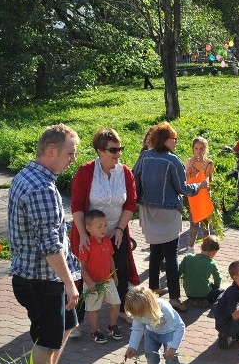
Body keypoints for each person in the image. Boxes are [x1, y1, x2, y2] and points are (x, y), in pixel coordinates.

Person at [9, 124, 81, 364]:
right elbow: (49, 245)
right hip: (42, 281)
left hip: (39, 277)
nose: (73, 159)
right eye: (70, 153)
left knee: (67, 325)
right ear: (51, 151)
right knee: (47, 340)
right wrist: (70, 283)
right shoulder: (42, 188)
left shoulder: (27, 175)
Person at [133, 122, 208, 313]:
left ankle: (153, 287)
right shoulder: (172, 160)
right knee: (171, 254)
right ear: (165, 140)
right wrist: (199, 187)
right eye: (173, 138)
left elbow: (134, 177)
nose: (175, 142)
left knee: (155, 249)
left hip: (148, 210)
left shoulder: (145, 155)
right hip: (168, 211)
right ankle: (175, 297)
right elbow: (182, 188)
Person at [71, 128, 139, 320]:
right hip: (89, 232)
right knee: (84, 274)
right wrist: (84, 234)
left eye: (120, 149)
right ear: (100, 151)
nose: (118, 153)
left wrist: (119, 228)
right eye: (113, 150)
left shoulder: (125, 172)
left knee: (120, 269)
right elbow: (76, 204)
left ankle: (122, 309)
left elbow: (131, 203)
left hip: (115, 231)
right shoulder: (86, 172)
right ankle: (76, 318)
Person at [124, 285, 186, 364]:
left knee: (171, 355)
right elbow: (137, 329)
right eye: (136, 315)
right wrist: (132, 346)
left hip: (169, 332)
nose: (139, 317)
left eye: (141, 314)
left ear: (150, 305)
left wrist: (173, 347)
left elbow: (179, 326)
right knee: (150, 355)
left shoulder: (164, 308)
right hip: (151, 333)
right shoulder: (138, 313)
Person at [79, 210, 121, 344]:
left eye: (105, 225)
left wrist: (115, 275)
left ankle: (112, 325)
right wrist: (89, 282)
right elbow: (82, 267)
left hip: (108, 281)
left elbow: (111, 260)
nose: (104, 229)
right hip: (93, 283)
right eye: (99, 226)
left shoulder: (107, 241)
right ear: (88, 228)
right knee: (94, 309)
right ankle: (94, 331)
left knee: (116, 304)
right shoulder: (86, 245)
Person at [185, 136, 214, 250]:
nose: (198, 151)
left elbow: (209, 180)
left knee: (205, 225)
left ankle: (207, 249)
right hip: (193, 196)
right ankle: (190, 247)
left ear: (205, 149)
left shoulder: (209, 163)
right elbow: (186, 179)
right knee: (194, 224)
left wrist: (209, 191)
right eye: (196, 148)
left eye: (201, 148)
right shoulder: (188, 161)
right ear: (193, 149)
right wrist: (189, 168)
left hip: (204, 196)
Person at [179, 235, 223, 306]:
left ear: (201, 247)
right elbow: (218, 278)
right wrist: (216, 286)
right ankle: (207, 301)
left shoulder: (188, 257)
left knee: (208, 285)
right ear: (213, 252)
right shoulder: (212, 263)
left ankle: (193, 300)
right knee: (220, 291)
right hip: (204, 294)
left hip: (189, 293)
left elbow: (179, 271)